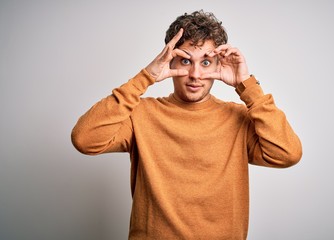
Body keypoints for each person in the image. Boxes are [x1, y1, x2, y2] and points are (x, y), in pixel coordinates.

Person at [71, 10, 302, 240]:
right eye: (185, 60)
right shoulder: (141, 114)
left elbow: (287, 153)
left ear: (217, 65)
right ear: (170, 60)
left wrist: (247, 86)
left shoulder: (238, 118)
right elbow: (84, 139)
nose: (195, 74)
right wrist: (145, 77)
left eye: (206, 62)